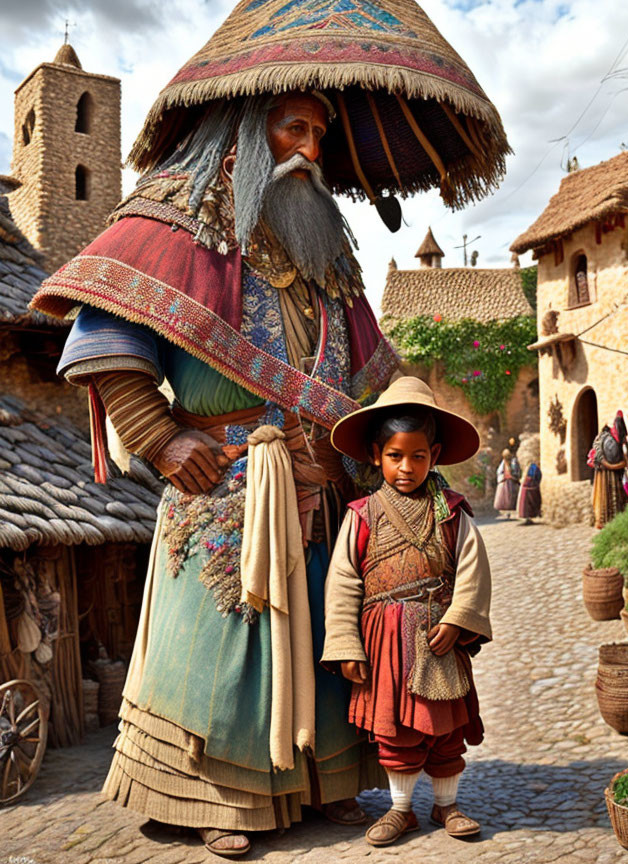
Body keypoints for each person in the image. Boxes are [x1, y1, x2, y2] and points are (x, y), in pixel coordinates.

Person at [31, 2, 508, 855]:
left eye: (321, 135)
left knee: (322, 654)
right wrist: (164, 437)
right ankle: (219, 803)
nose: (312, 151)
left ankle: (322, 786)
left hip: (322, 492)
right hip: (222, 487)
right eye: (296, 128)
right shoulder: (168, 222)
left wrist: (414, 423)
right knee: (228, 649)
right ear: (252, 128)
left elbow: (374, 367)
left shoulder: (326, 252)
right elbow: (101, 340)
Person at [322, 377, 492, 847]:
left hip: (438, 636)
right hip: (386, 642)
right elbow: (343, 582)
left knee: (445, 728)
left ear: (434, 455)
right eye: (395, 456)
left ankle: (447, 804)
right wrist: (345, 645)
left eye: (418, 456)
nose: (406, 467)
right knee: (395, 731)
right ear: (376, 454)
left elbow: (474, 568)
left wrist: (459, 619)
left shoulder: (452, 513)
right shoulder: (361, 515)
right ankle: (401, 811)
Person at [588, 410, 628, 529]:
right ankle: (605, 521)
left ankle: (616, 520)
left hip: (613, 472)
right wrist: (612, 465)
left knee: (617, 496)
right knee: (606, 495)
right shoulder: (606, 438)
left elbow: (625, 457)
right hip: (606, 473)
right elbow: (600, 456)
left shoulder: (616, 438)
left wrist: (623, 463)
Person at [493, 448, 521, 517]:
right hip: (505, 481)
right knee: (505, 498)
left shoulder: (513, 462)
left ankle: (510, 511)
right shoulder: (503, 462)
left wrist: (513, 476)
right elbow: (499, 471)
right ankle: (507, 512)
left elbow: (516, 471)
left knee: (511, 497)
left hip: (511, 481)